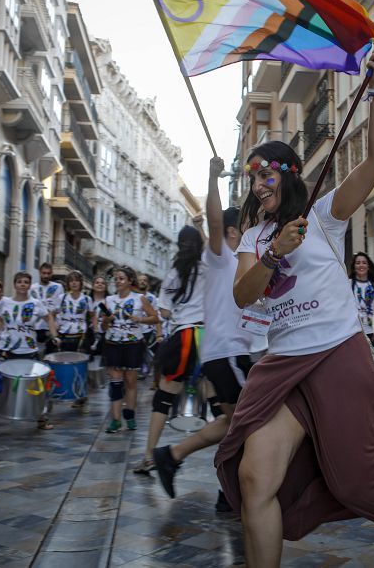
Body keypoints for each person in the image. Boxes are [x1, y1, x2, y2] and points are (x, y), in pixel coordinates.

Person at [215, 41, 374, 568]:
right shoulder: (255, 236)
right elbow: (241, 295)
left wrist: (373, 88)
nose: (259, 182)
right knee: (256, 474)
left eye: (267, 172)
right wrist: (274, 254)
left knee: (355, 478)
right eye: (254, 175)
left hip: (337, 356)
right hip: (283, 367)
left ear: (290, 175)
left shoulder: (325, 214)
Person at [146, 156, 255, 511]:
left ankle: (177, 457)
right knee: (247, 423)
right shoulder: (222, 257)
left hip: (228, 353)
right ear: (233, 232)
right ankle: (222, 485)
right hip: (226, 353)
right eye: (249, 225)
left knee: (235, 423)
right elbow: (214, 215)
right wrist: (212, 179)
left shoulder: (244, 261)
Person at [135, 225, 205, 471]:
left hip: (183, 337)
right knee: (219, 404)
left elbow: (164, 312)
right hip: (208, 338)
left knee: (163, 400)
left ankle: (149, 456)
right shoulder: (209, 267)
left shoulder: (173, 272)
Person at [0, 271, 60, 435]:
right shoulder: (5, 301)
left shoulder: (36, 303)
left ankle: (42, 419)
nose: (22, 284)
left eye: (26, 282)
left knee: (36, 386)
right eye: (19, 281)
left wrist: (54, 336)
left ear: (29, 285)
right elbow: (0, 321)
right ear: (14, 284)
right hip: (6, 348)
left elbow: (49, 318)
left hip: (28, 350)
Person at [100, 266, 159, 433]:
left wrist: (139, 319)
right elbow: (103, 327)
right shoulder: (109, 300)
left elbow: (155, 318)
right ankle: (116, 420)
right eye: (116, 278)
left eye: (121, 278)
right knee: (116, 383)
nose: (118, 281)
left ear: (130, 281)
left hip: (133, 344)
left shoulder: (140, 298)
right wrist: (107, 320)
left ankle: (130, 415)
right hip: (112, 344)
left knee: (131, 382)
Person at [29, 263, 64, 354]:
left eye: (48, 273)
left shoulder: (58, 287)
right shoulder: (32, 288)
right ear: (40, 273)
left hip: (52, 327)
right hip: (36, 327)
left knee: (51, 356)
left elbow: (60, 308)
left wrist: (58, 323)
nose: (46, 275)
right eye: (44, 273)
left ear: (52, 273)